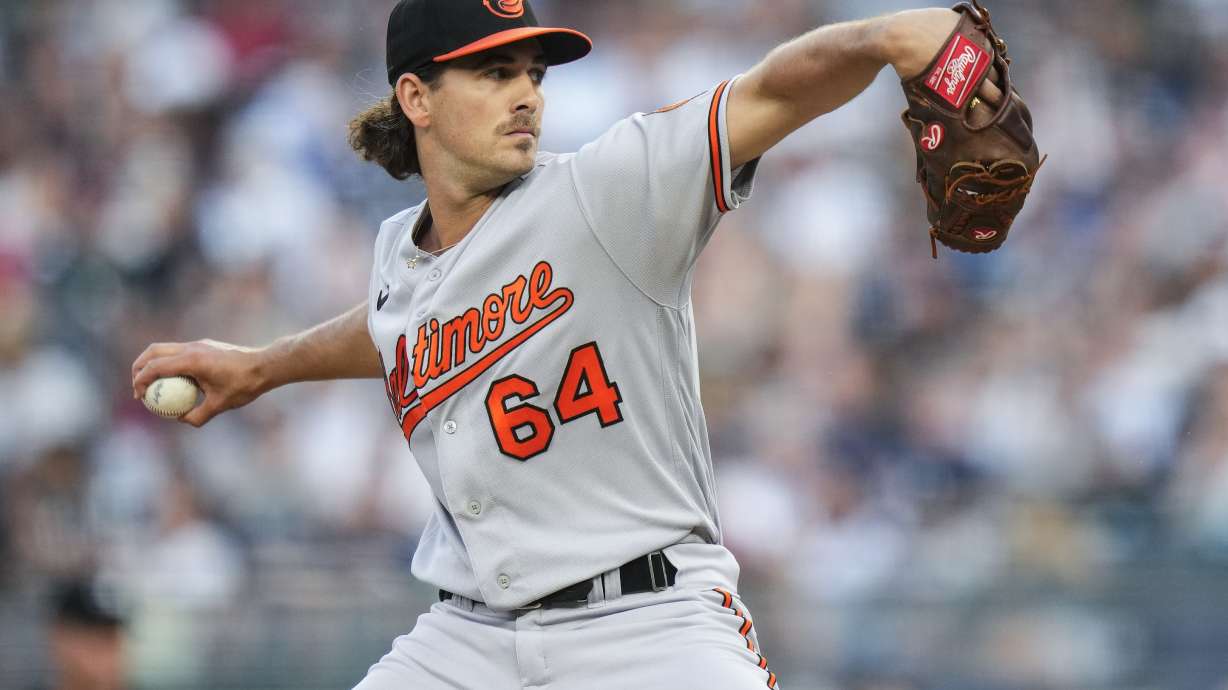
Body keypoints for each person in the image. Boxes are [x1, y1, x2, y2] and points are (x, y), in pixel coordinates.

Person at [132, 1, 1005, 687]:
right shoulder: (399, 253)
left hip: (649, 624)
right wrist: (262, 366)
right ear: (415, 98)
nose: (527, 94)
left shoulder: (609, 191)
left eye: (532, 73)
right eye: (493, 71)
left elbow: (772, 90)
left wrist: (890, 35)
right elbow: (395, 323)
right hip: (465, 638)